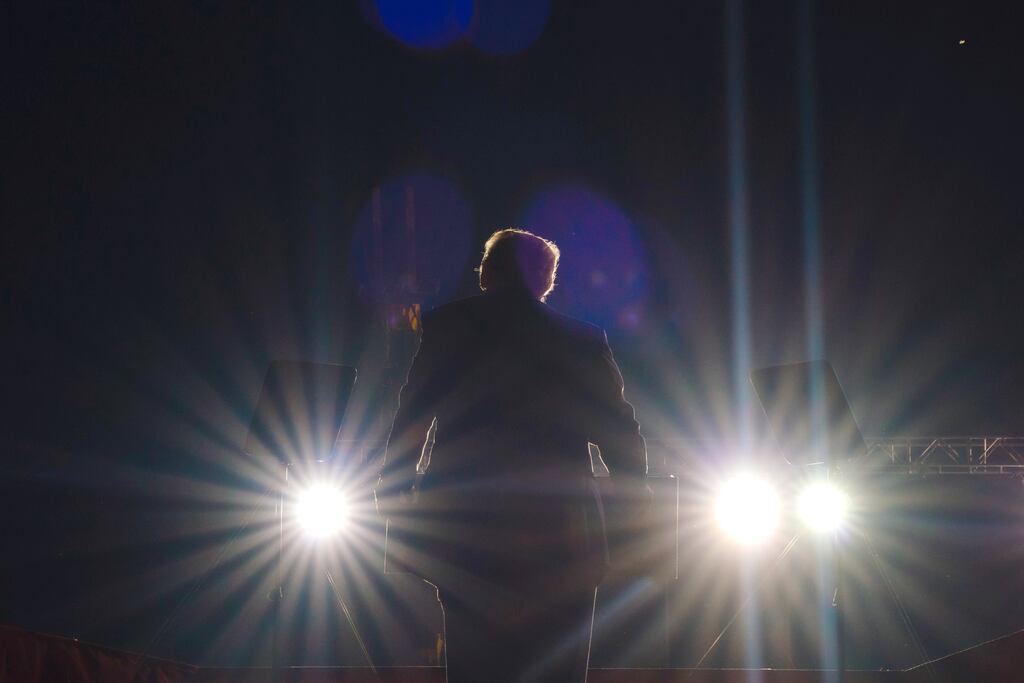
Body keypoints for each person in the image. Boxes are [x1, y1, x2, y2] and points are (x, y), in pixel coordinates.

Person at [378, 228, 647, 683]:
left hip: (467, 531)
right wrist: (634, 508)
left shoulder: (448, 327)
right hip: (563, 535)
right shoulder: (581, 340)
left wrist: (395, 491)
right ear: (546, 280)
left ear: (486, 273)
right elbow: (619, 434)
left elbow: (413, 417)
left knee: (473, 666)